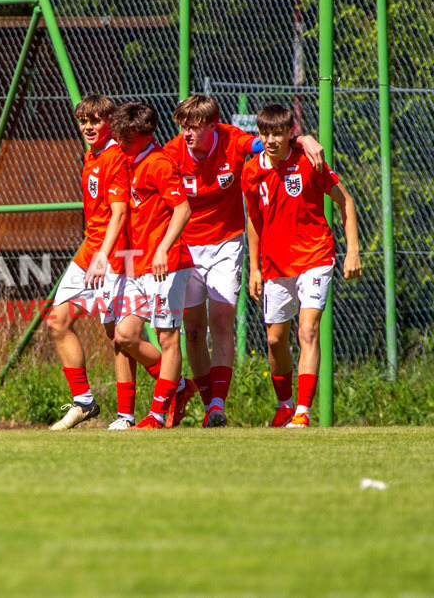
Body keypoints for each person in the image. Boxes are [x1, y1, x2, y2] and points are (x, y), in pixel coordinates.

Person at [163, 94, 326, 427]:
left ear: (213, 125)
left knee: (222, 321)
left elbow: (270, 143)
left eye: (195, 126)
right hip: (187, 247)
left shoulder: (233, 141)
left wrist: (303, 138)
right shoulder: (171, 153)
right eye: (183, 127)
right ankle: (207, 404)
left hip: (226, 243)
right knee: (192, 331)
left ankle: (218, 405)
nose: (187, 133)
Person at [242, 104, 361, 428]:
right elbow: (254, 221)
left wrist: (353, 250)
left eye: (278, 133)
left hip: (315, 257)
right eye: (265, 133)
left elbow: (346, 201)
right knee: (274, 340)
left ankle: (303, 412)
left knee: (307, 330)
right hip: (275, 266)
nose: (271, 140)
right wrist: (254, 268)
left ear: (289, 133)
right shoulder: (251, 171)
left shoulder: (308, 161)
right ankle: (285, 405)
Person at [44, 94, 142, 431]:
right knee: (57, 320)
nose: (88, 126)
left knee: (118, 338)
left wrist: (103, 256)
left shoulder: (114, 157)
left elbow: (119, 214)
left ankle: (136, 409)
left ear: (109, 123)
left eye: (96, 120)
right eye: (84, 121)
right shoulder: (91, 154)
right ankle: (84, 401)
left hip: (110, 255)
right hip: (90, 250)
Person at [110, 102, 195, 429]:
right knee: (124, 336)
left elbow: (183, 209)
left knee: (168, 338)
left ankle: (157, 415)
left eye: (128, 139)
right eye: (120, 136)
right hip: (138, 266)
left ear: (146, 136)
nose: (122, 142)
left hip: (166, 265)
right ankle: (179, 386)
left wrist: (162, 248)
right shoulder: (126, 160)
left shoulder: (159, 163)